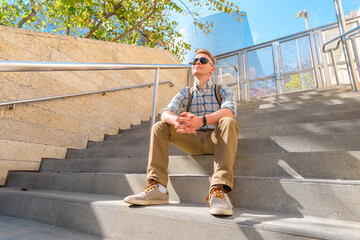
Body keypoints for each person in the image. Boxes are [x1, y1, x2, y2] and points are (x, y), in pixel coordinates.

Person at [124, 49, 239, 216]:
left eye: (203, 60)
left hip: (217, 139)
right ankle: (159, 189)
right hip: (192, 139)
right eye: (195, 61)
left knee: (228, 121)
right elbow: (165, 112)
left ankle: (218, 190)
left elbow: (230, 111)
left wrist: (202, 120)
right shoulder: (186, 92)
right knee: (159, 126)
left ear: (212, 69)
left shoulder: (222, 89)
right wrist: (176, 120)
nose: (197, 62)